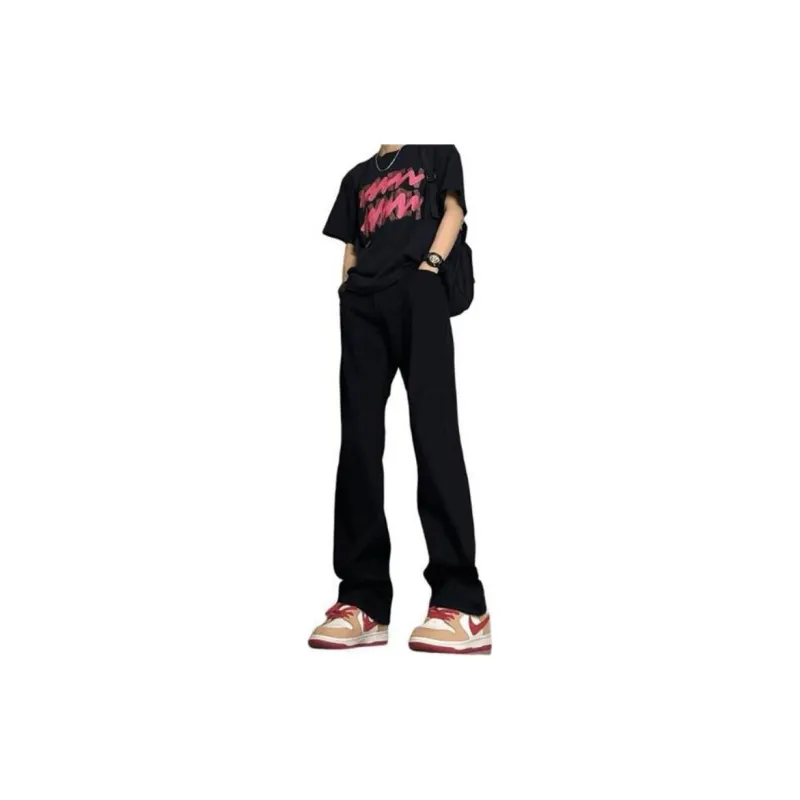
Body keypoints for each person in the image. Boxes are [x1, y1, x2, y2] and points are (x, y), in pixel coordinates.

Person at [308, 144, 490, 654]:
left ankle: (461, 603)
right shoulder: (356, 176)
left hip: (419, 289)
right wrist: (346, 290)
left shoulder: (436, 149)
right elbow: (351, 245)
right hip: (363, 304)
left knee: (434, 435)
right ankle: (362, 601)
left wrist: (431, 265)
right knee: (358, 445)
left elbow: (453, 210)